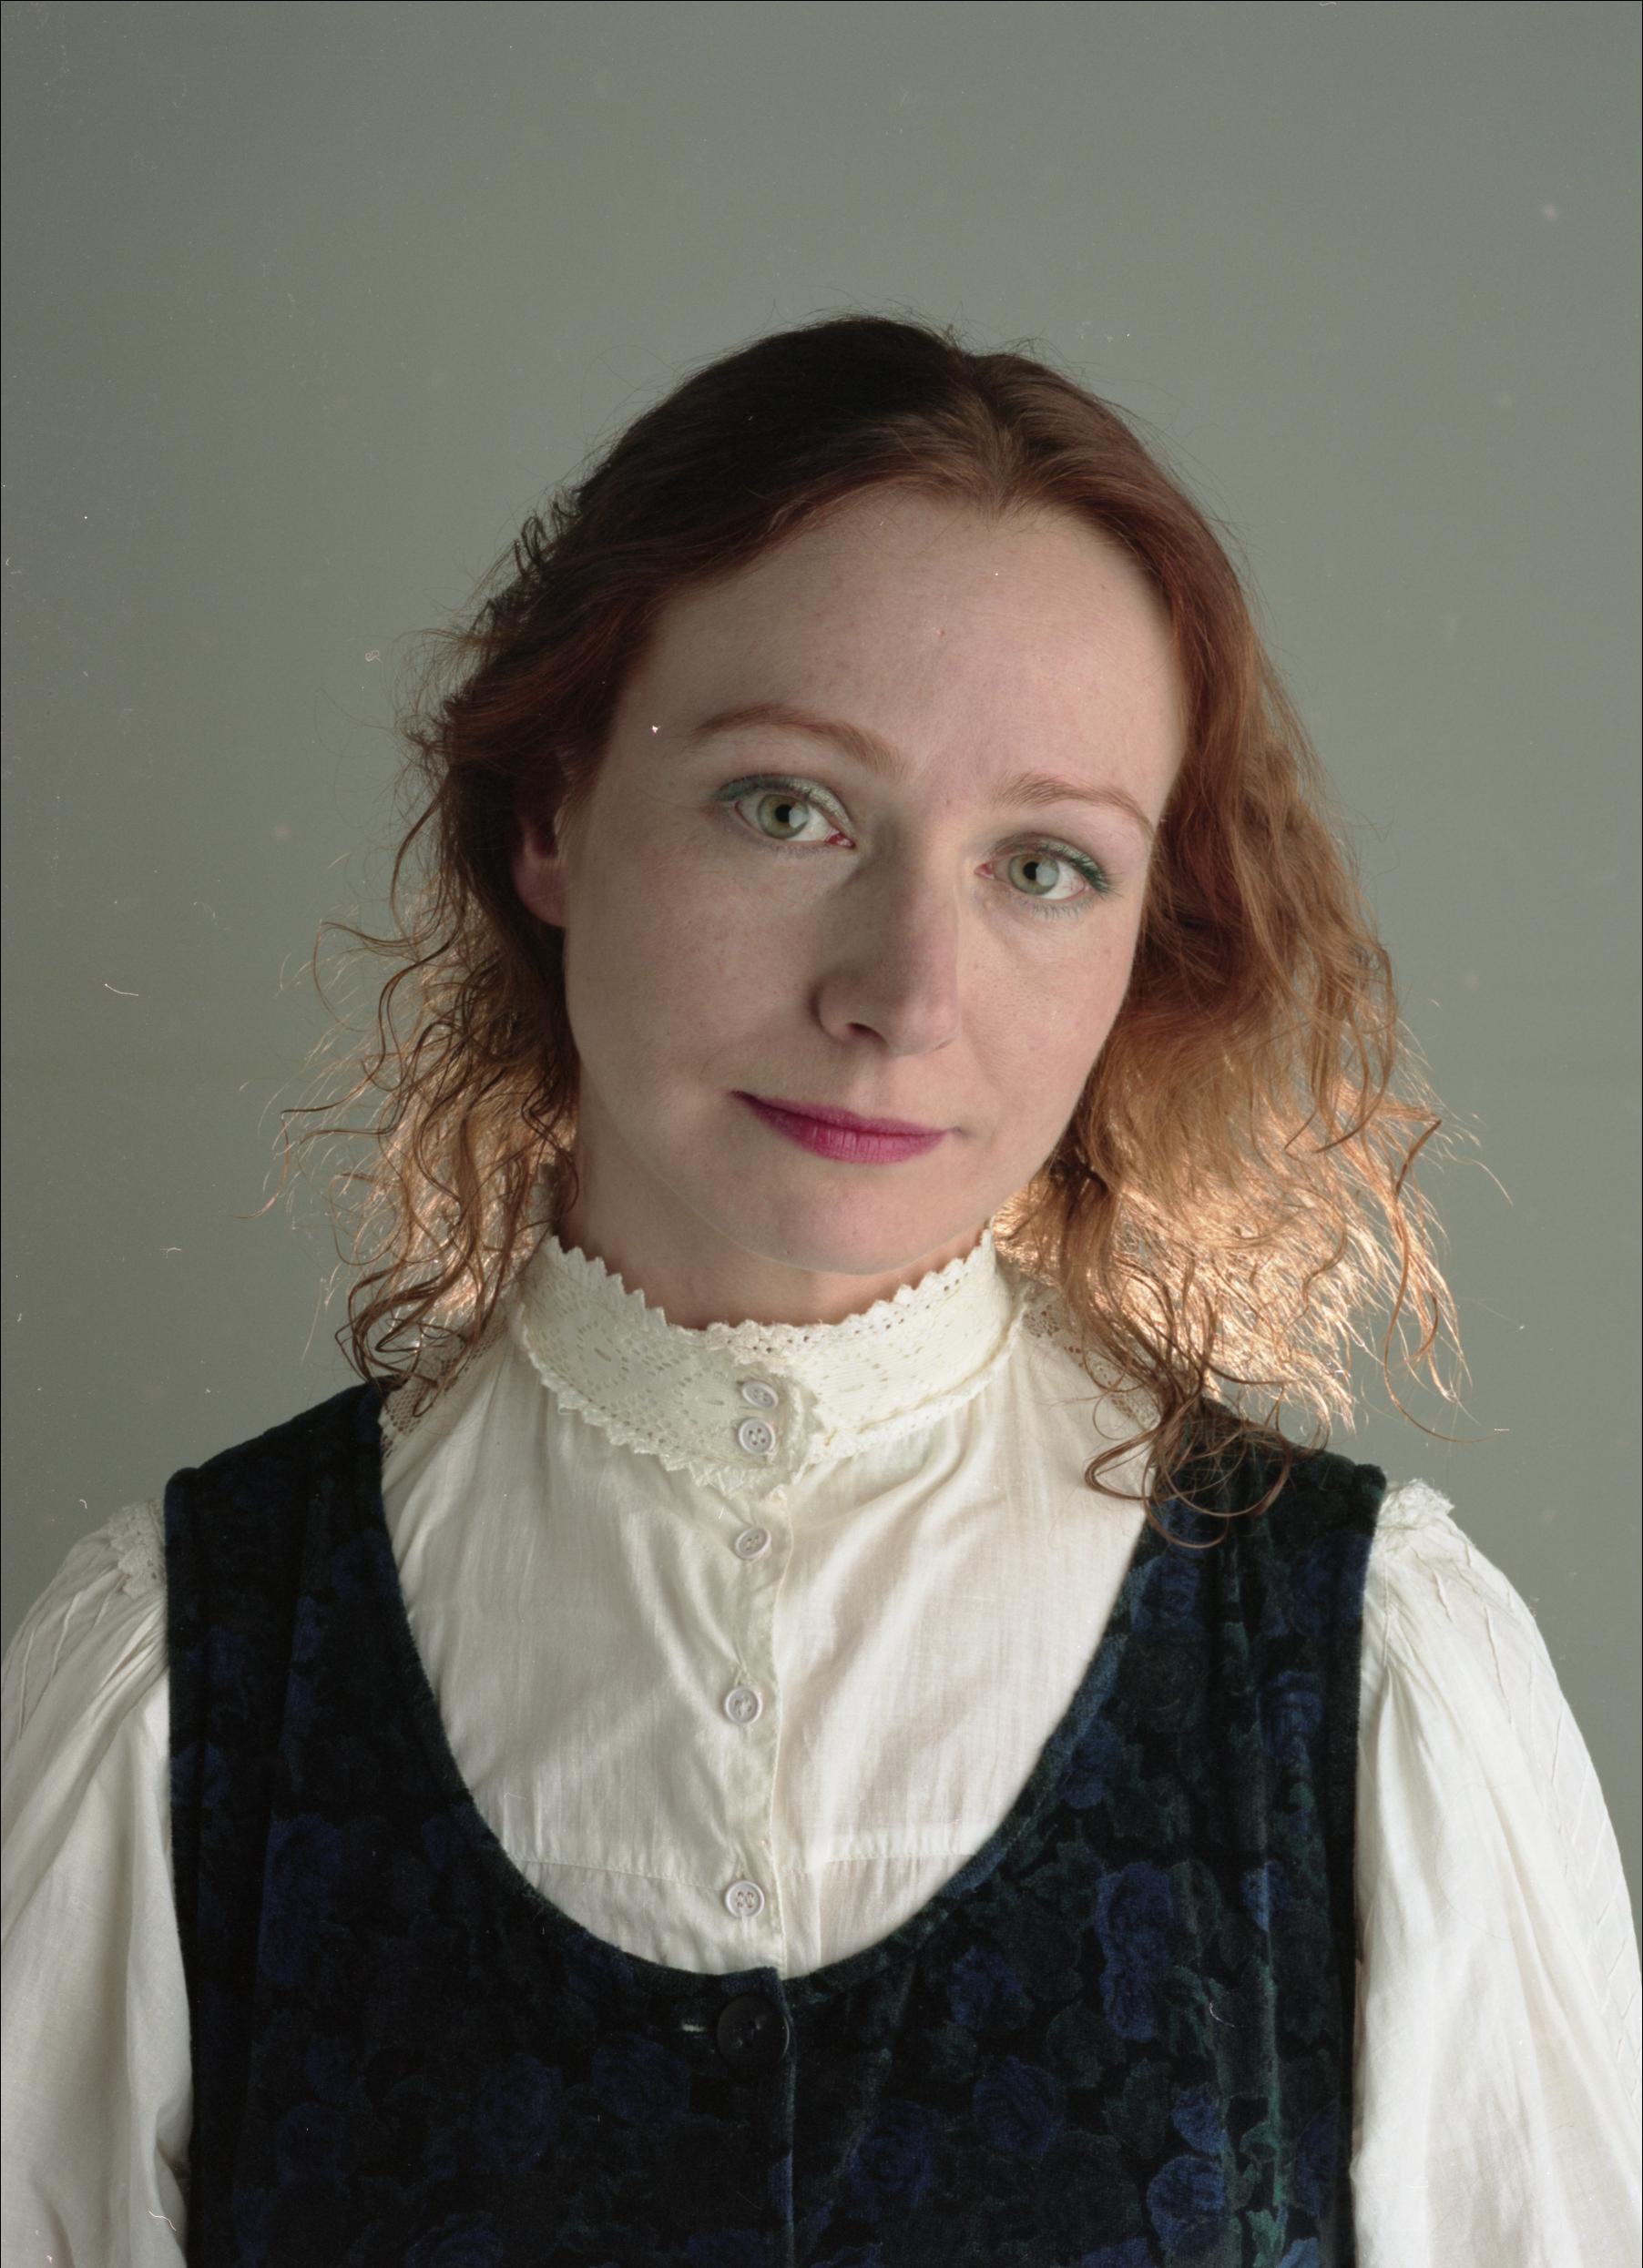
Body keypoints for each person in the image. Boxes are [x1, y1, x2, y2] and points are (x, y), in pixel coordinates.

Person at [3, 312, 1638, 2265]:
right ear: (550, 814)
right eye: (788, 806)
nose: (904, 996)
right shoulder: (174, 1679)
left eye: (1044, 865)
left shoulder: (1372, 1683)